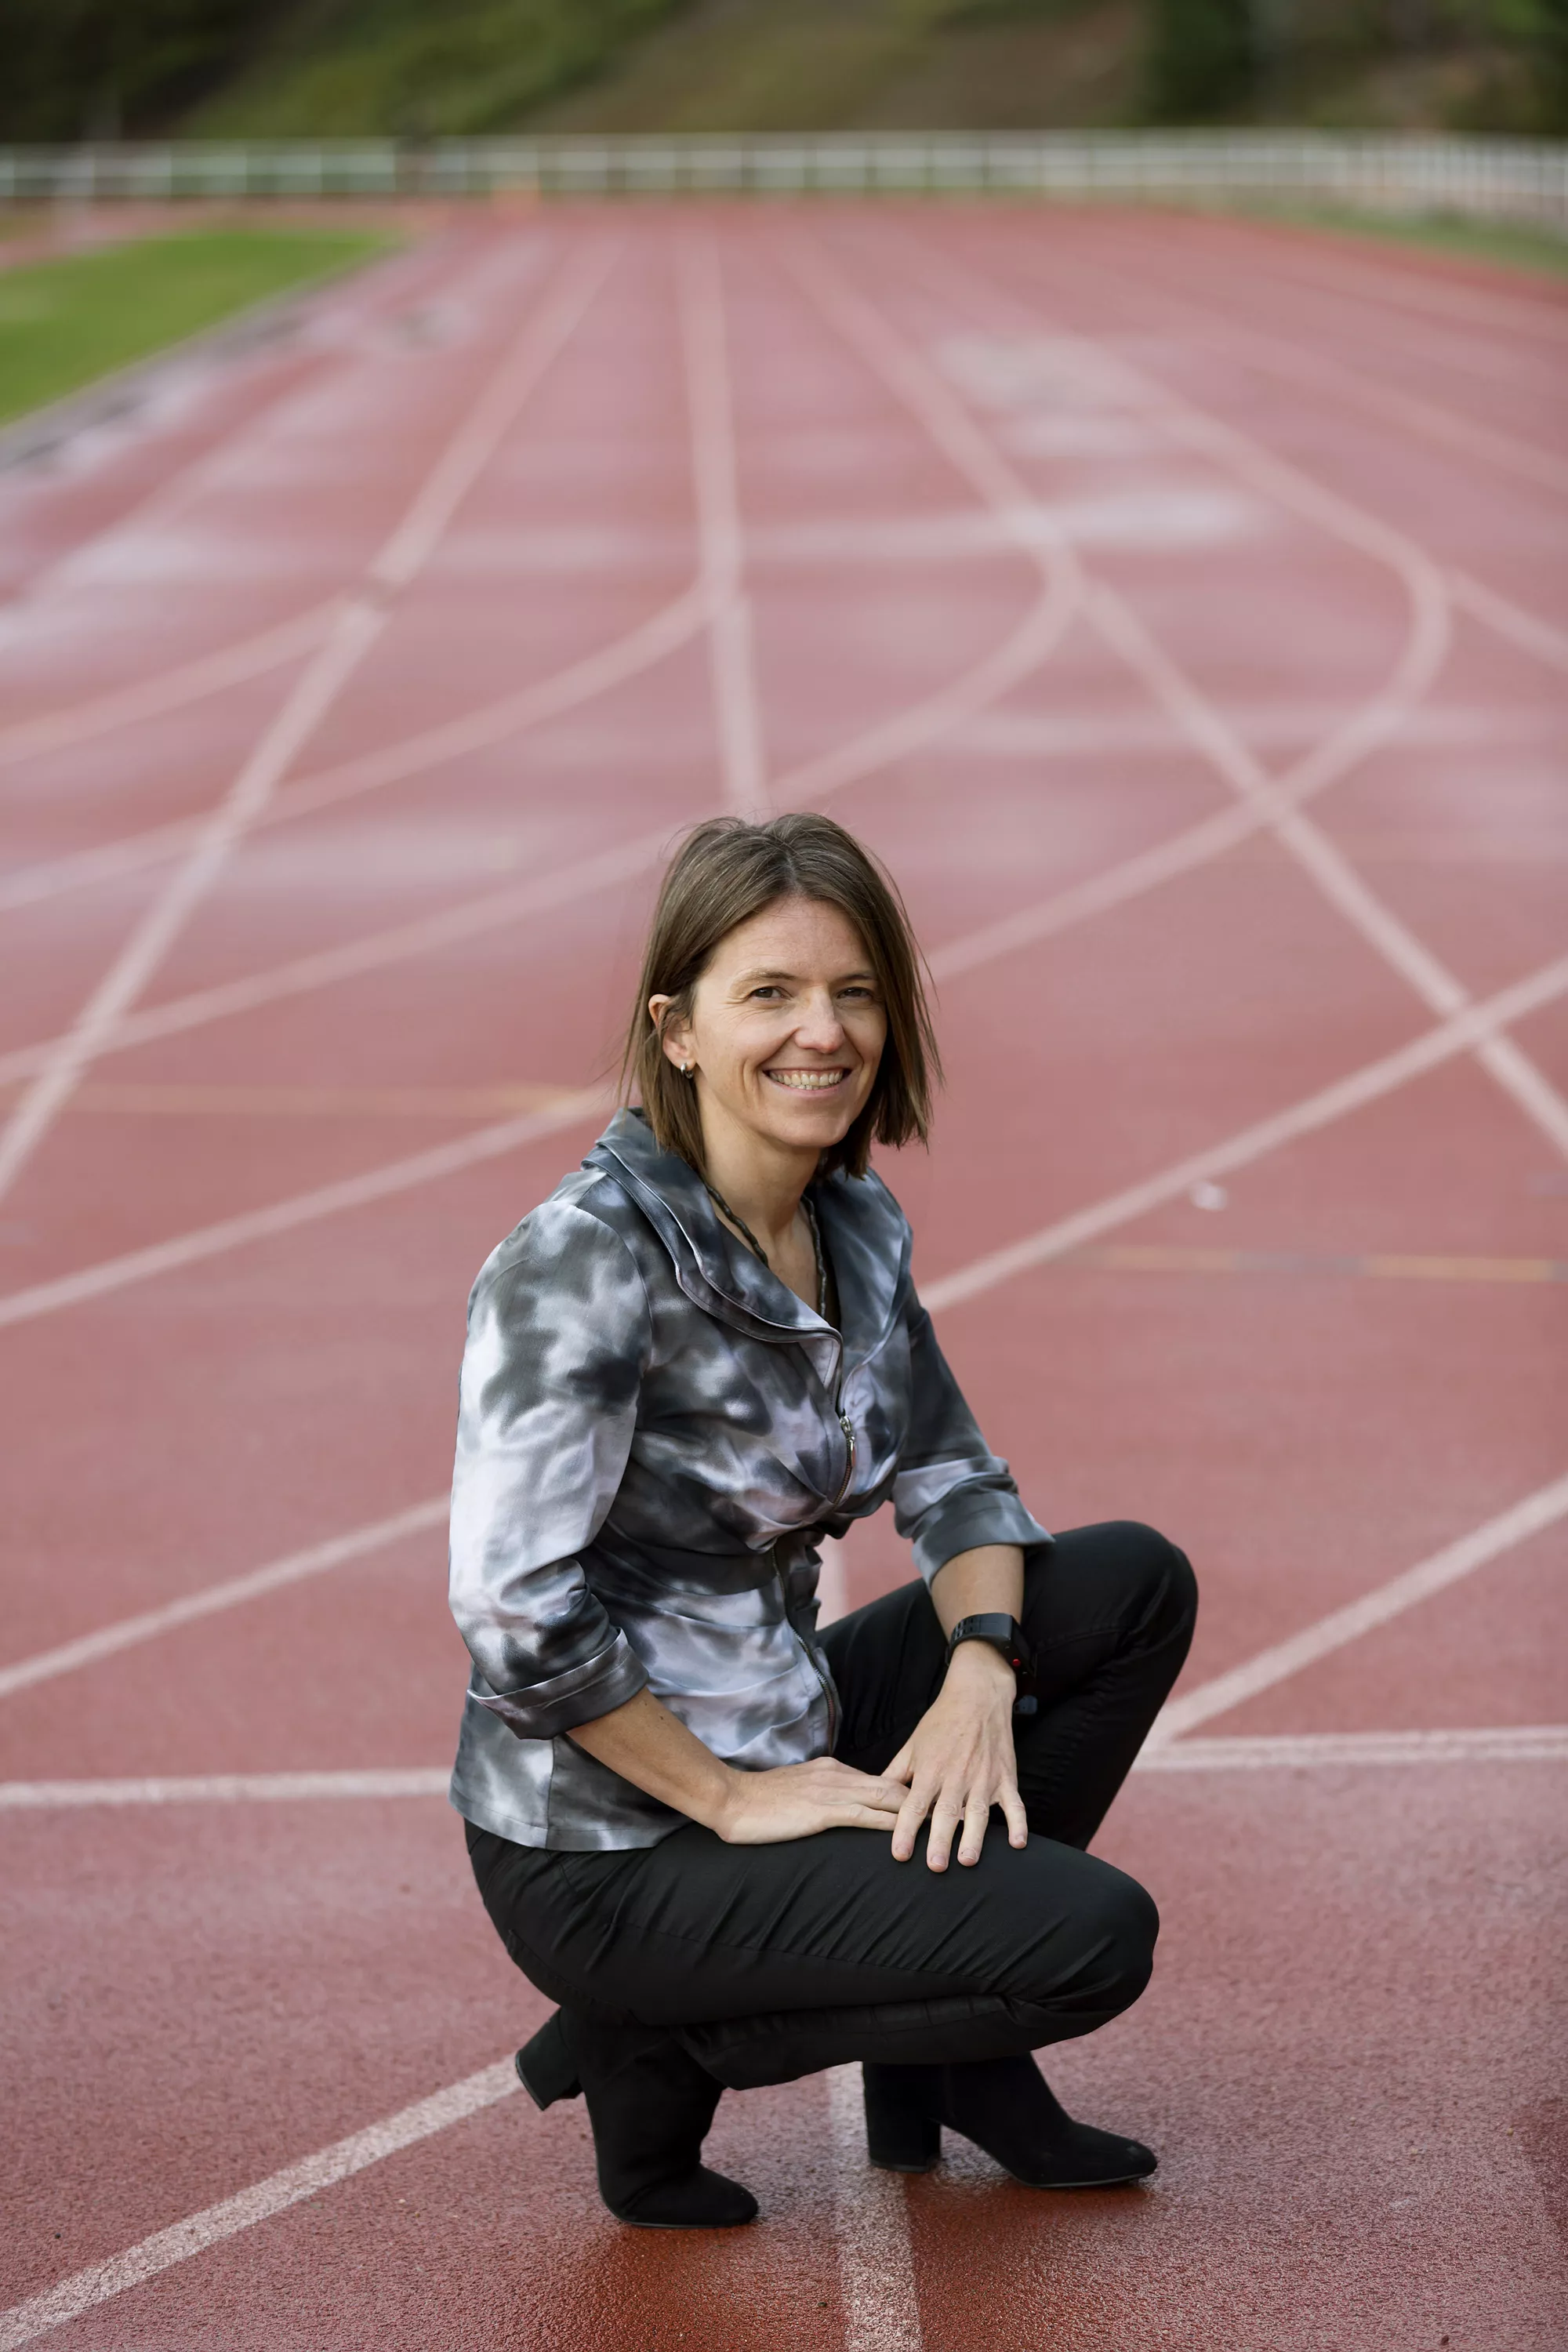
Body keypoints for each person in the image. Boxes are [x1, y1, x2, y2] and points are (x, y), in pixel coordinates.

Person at [448, 811, 1196, 2229]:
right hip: (614, 1837)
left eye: (855, 991)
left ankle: (949, 2058)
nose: (825, 1032)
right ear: (677, 1029)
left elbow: (959, 1479)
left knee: (1129, 1587)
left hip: (779, 1715)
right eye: (771, 993)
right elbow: (513, 1614)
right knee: (1093, 1938)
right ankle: (645, 2034)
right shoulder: (582, 1263)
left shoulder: (850, 1223)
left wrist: (981, 1671)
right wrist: (732, 1799)